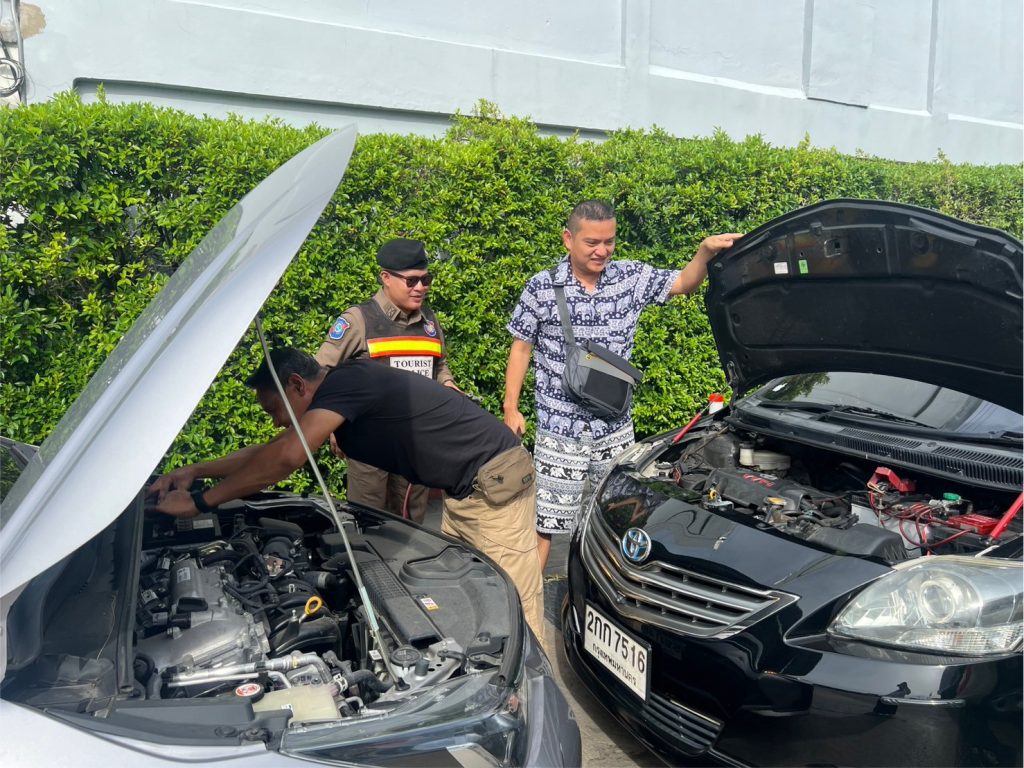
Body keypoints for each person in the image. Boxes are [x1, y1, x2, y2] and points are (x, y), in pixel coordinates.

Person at [149, 349, 545, 641]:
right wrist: (194, 471)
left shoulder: (346, 384)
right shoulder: (340, 391)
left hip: (494, 484)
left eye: (275, 411)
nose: (277, 422)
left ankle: (531, 702)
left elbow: (286, 458)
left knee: (514, 603)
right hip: (468, 491)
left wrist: (200, 503)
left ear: (297, 385)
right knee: (470, 596)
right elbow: (274, 450)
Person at [503, 200, 741, 570]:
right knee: (545, 526)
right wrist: (510, 407)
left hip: (614, 427)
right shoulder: (542, 287)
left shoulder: (630, 277)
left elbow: (682, 283)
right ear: (568, 239)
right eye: (592, 242)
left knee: (615, 521)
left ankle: (594, 596)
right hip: (559, 428)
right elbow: (521, 348)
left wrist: (704, 252)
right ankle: (529, 602)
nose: (602, 251)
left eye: (609, 242)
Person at [315, 238, 458, 523]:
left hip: (416, 443)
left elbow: (439, 365)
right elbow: (321, 372)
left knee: (411, 524)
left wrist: (447, 384)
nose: (421, 287)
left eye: (426, 279)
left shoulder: (429, 321)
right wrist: (332, 423)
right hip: (369, 444)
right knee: (369, 521)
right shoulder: (358, 320)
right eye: (412, 281)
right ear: (386, 278)